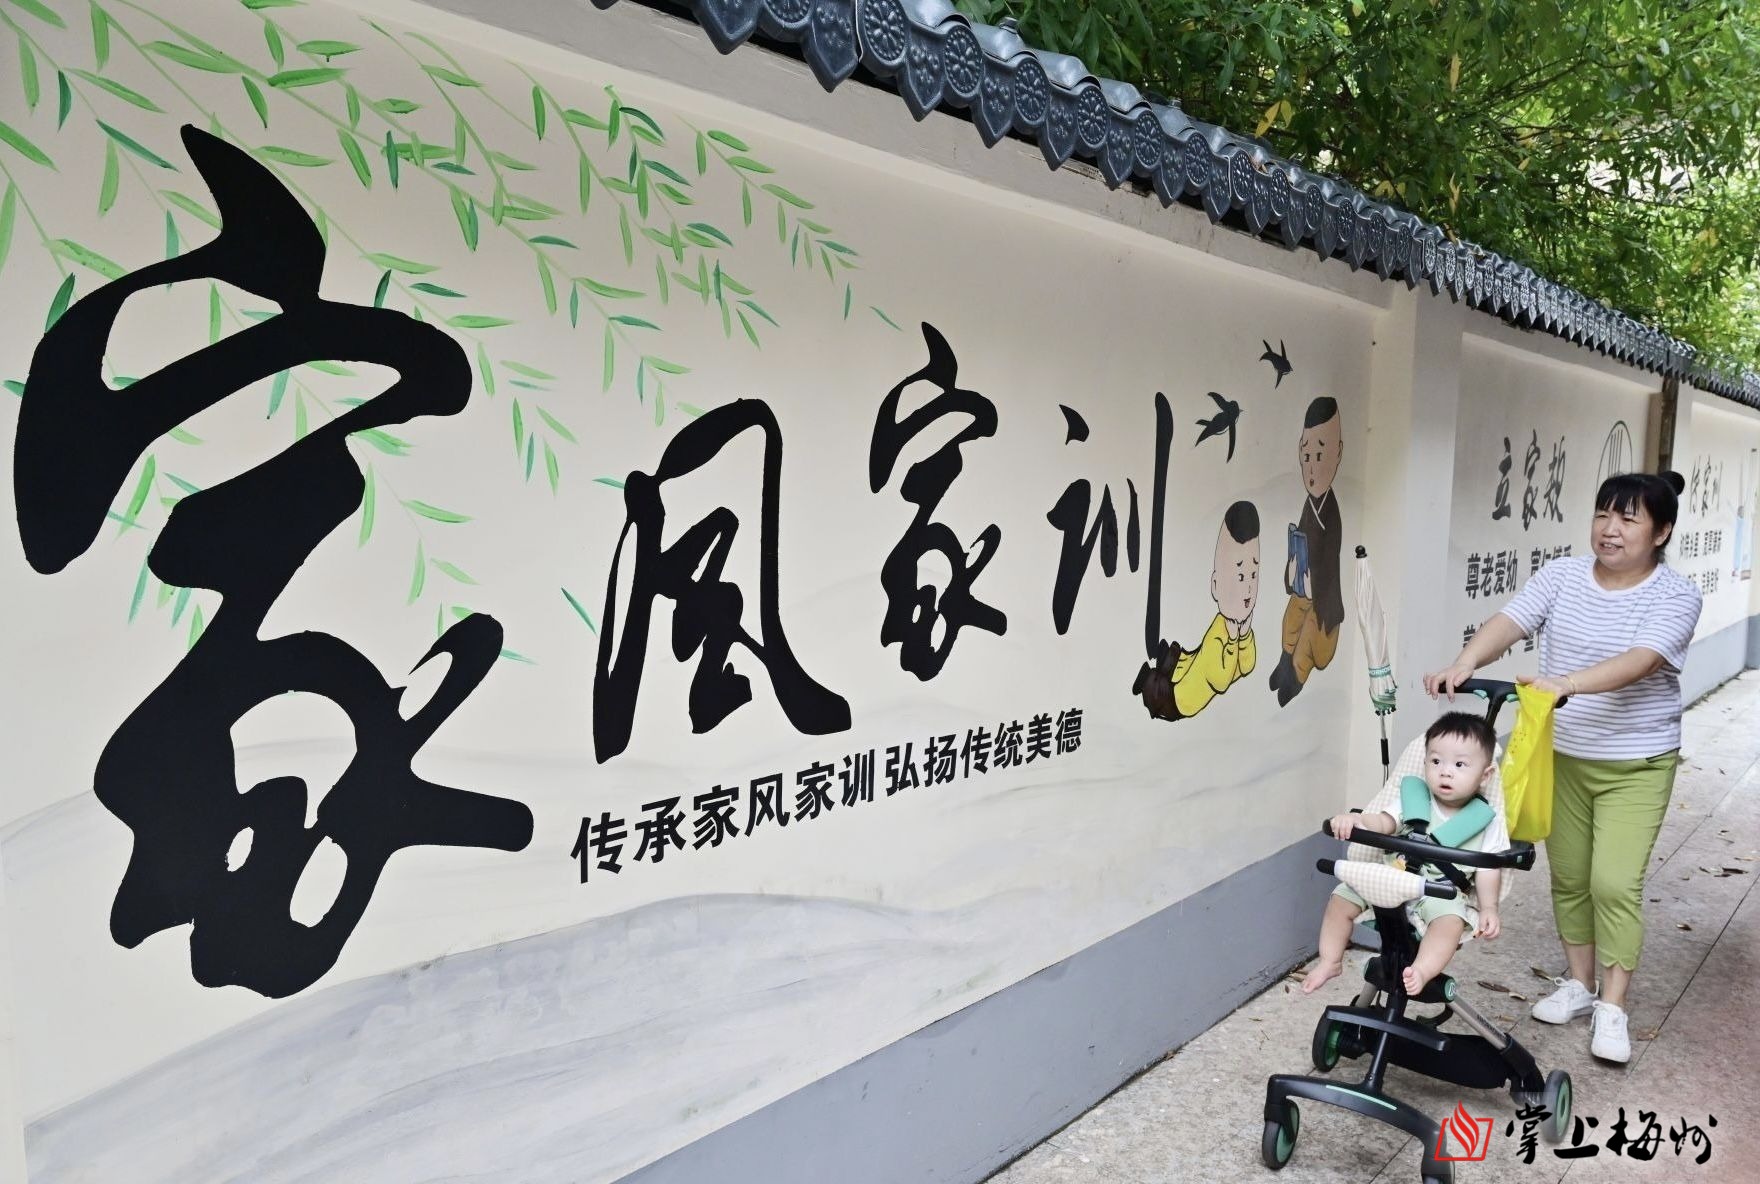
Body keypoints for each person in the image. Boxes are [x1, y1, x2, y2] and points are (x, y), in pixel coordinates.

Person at [1424, 471, 1701, 1064]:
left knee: (1613, 883)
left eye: (1628, 519)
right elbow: (1512, 621)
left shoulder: (1676, 595)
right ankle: (1579, 984)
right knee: (1570, 877)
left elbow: (1643, 659)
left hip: (1636, 761)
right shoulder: (1563, 576)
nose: (1610, 529)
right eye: (1603, 514)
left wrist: (1567, 683)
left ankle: (1614, 1006)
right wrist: (1467, 661)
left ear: (1661, 532)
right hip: (1563, 755)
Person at [1302, 712, 1506, 996]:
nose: (1445, 772)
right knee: (1341, 899)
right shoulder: (1413, 799)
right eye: (1436, 761)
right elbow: (1382, 823)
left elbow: (1487, 870)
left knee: (1449, 923)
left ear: (1485, 776)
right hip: (1392, 876)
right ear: (1425, 763)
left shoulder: (1485, 820)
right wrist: (1356, 820)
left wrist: (1489, 908)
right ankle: (1330, 960)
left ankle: (1421, 970)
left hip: (1438, 892)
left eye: (1459, 765)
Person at [1134, 501, 1259, 720]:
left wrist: (1245, 636)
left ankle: (1168, 660)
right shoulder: (1219, 632)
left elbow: (1246, 667)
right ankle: (1148, 677)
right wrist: (1233, 641)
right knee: (1158, 691)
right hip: (1180, 700)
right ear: (1215, 586)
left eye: (1253, 575)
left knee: (1180, 662)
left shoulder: (1235, 628)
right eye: (1240, 577)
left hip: (1188, 688)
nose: (1248, 588)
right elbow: (1220, 680)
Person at [1270, 398, 1344, 707]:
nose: (1311, 468)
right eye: (1307, 456)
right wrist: (1291, 570)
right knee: (1291, 615)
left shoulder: (1332, 514)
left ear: (1337, 453)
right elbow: (1299, 541)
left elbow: (1331, 561)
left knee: (1308, 636)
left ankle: (1295, 677)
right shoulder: (1309, 504)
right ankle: (1284, 660)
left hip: (1325, 605)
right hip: (1305, 586)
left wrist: (1316, 584)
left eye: (1320, 455)